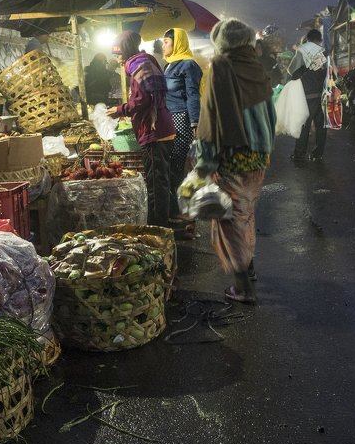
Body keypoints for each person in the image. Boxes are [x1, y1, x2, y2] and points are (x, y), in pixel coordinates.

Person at [192, 18, 276, 304]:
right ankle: (248, 267)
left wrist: (204, 162)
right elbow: (270, 115)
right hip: (258, 157)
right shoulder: (256, 67)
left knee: (228, 220)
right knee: (245, 213)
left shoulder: (221, 68)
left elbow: (209, 118)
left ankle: (242, 286)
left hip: (232, 156)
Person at [110, 30, 176, 227]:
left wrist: (120, 109)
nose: (118, 59)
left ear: (127, 49)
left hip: (154, 131)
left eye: (119, 54)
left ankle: (159, 226)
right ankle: (165, 219)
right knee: (161, 178)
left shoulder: (137, 65)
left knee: (156, 181)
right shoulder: (145, 61)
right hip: (161, 127)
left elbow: (141, 99)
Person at [162, 28, 203, 234]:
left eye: (167, 42)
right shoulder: (168, 66)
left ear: (177, 43)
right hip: (169, 119)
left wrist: (195, 123)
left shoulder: (188, 65)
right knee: (173, 167)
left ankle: (185, 214)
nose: (163, 46)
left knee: (180, 166)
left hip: (182, 119)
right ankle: (177, 210)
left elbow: (193, 95)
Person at [288, 29, 329, 162]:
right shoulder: (324, 52)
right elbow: (330, 72)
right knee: (321, 126)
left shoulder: (302, 50)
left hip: (307, 94)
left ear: (308, 39)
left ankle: (299, 153)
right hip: (322, 94)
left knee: (304, 125)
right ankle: (318, 153)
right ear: (319, 40)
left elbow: (292, 70)